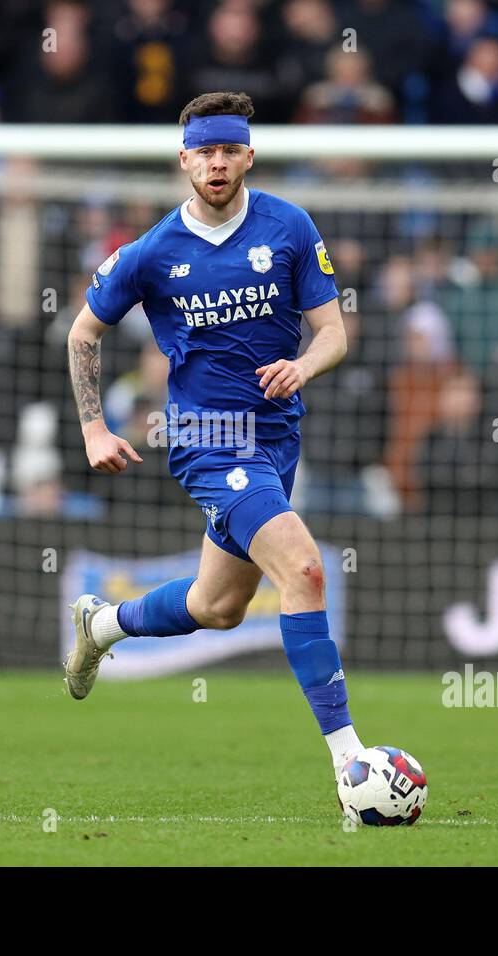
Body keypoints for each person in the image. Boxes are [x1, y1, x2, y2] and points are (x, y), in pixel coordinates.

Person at [63, 91, 365, 786]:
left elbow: (334, 333)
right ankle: (350, 762)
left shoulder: (289, 227)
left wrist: (304, 364)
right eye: (204, 151)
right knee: (307, 571)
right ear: (184, 161)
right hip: (207, 438)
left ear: (249, 156)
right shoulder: (151, 252)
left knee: (218, 607)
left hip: (276, 439)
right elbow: (84, 330)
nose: (217, 162)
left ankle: (103, 625)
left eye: (229, 149)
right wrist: (92, 428)